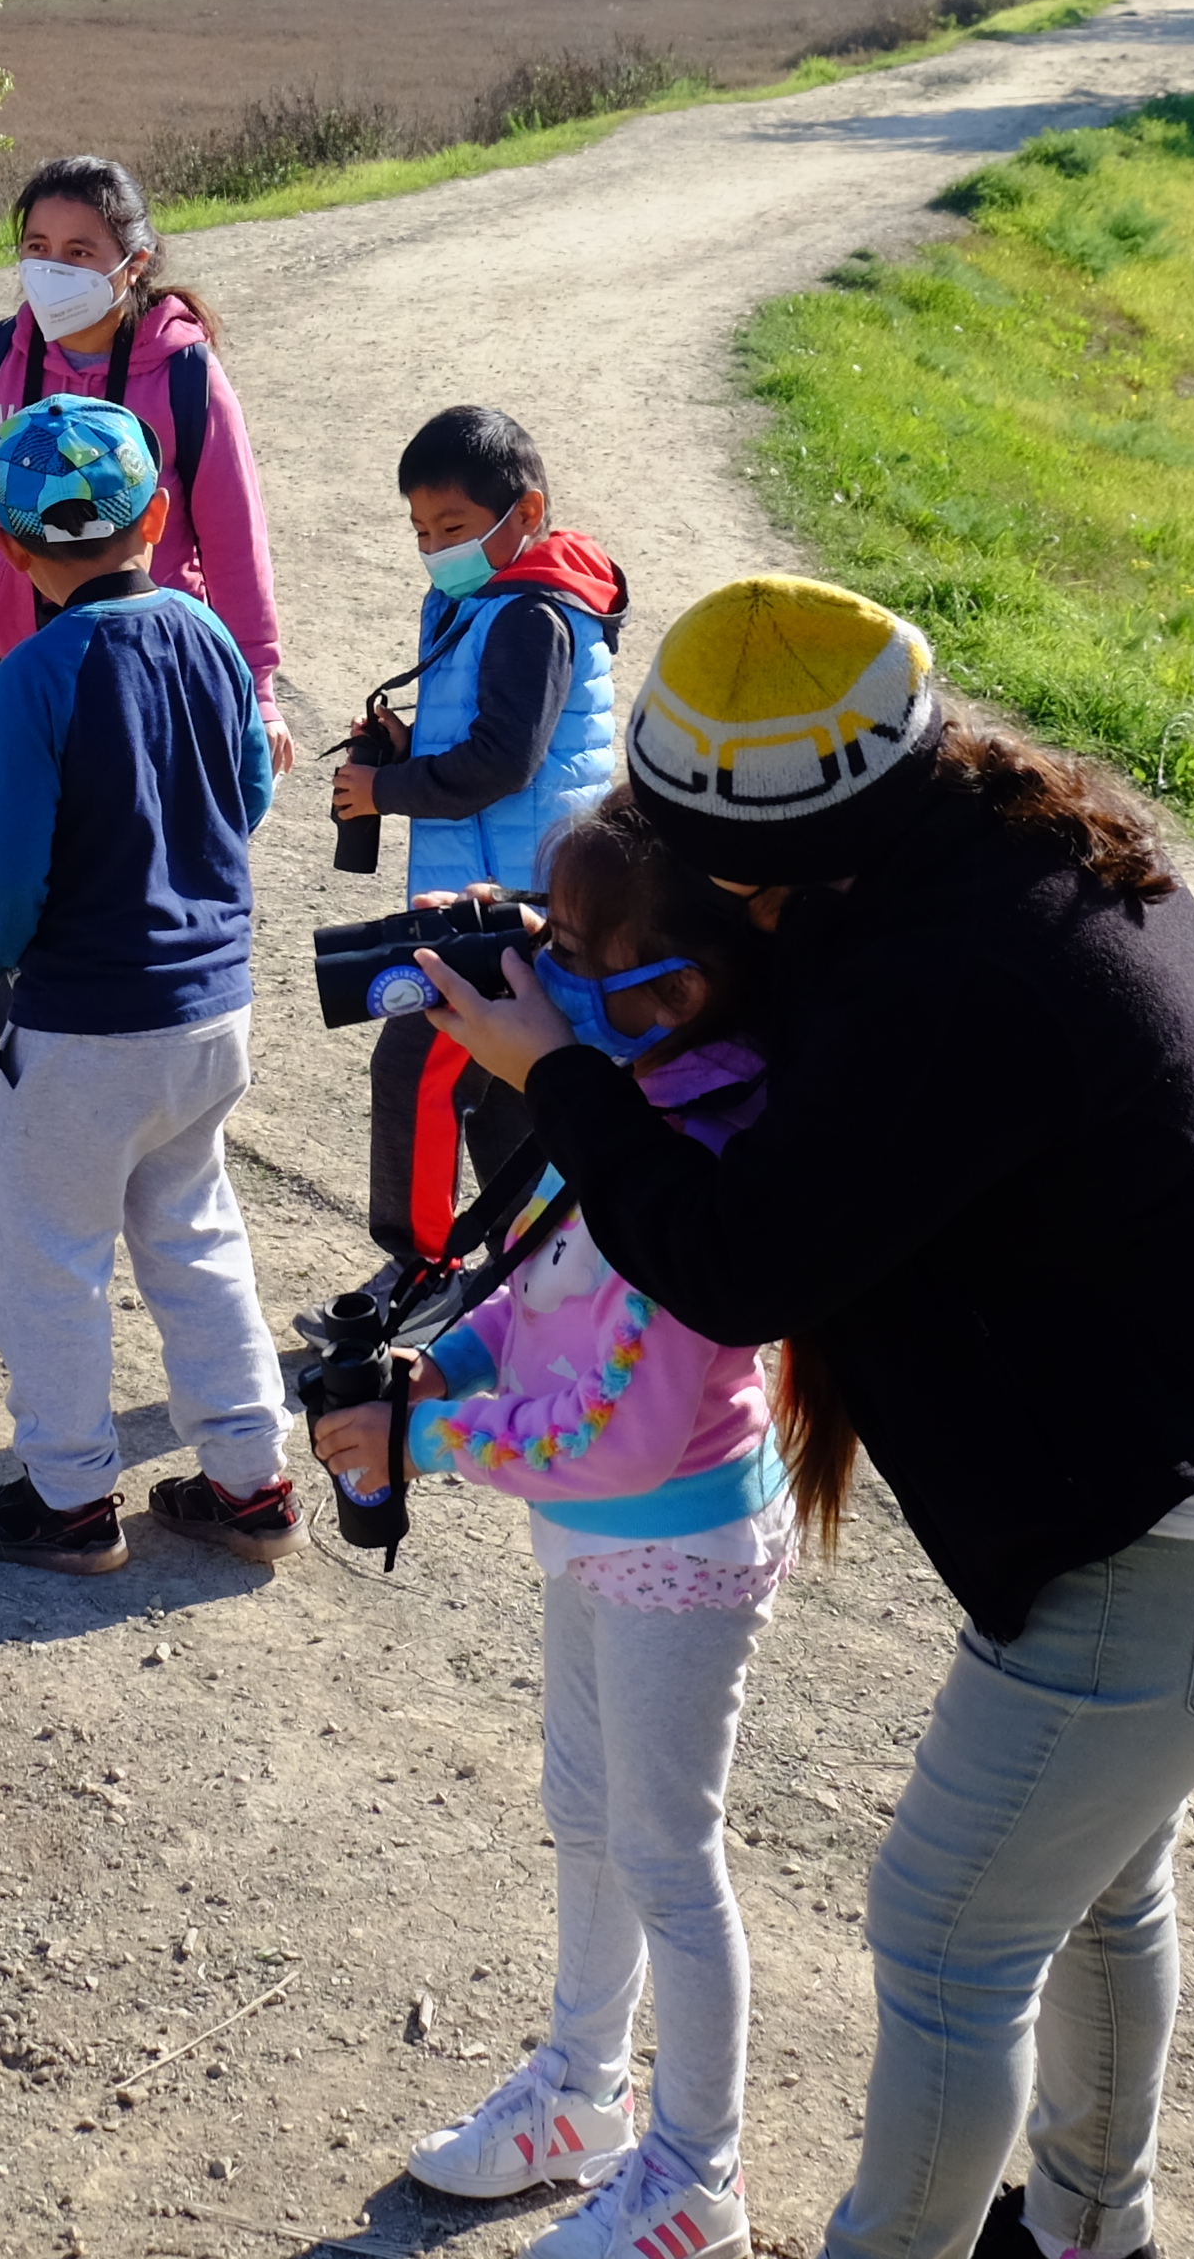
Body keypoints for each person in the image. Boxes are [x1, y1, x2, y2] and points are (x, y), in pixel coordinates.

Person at [426, 577, 1194, 2259]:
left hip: (1193, 1540)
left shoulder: (946, 979)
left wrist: (556, 1068)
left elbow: (739, 1257)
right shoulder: (978, 846)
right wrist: (597, 951)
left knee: (944, 1929)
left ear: (782, 858)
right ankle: (1092, 2232)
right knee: (1095, 1885)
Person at [317, 790, 790, 2259]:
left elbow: (620, 1421)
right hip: (597, 1534)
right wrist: (441, 1361)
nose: (536, 969)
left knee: (667, 1857)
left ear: (679, 984)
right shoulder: (635, 1104)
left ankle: (694, 2177)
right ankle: (583, 2088)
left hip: (672, 1539)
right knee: (585, 1817)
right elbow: (540, 1281)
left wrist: (431, 1436)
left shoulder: (709, 1136)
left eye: (571, 946)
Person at [0, 396, 299, 1574]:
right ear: (155, 513)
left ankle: (72, 1498)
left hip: (85, 1024)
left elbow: (9, 867)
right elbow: (247, 795)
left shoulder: (39, 673)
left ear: (12, 549)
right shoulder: (208, 638)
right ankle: (252, 1481)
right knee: (196, 1238)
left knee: (48, 1256)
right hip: (211, 1010)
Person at [0, 156, 296, 1173]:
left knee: (133, 855)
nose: (53, 270)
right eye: (36, 249)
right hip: (16, 658)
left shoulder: (188, 378)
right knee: (4, 855)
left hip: (146, 662)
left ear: (133, 263)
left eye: (80, 253)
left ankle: (129, 1064)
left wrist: (261, 689)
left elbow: (237, 549)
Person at [331, 401, 631, 1268]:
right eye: (420, 529)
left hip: (510, 904)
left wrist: (385, 790)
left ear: (525, 513)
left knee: (412, 1073)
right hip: (500, 892)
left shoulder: (532, 614)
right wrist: (405, 747)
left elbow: (503, 761)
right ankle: (525, 1267)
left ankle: (421, 1265)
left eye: (452, 526)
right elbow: (484, 728)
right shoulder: (489, 597)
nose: (433, 547)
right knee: (509, 1096)